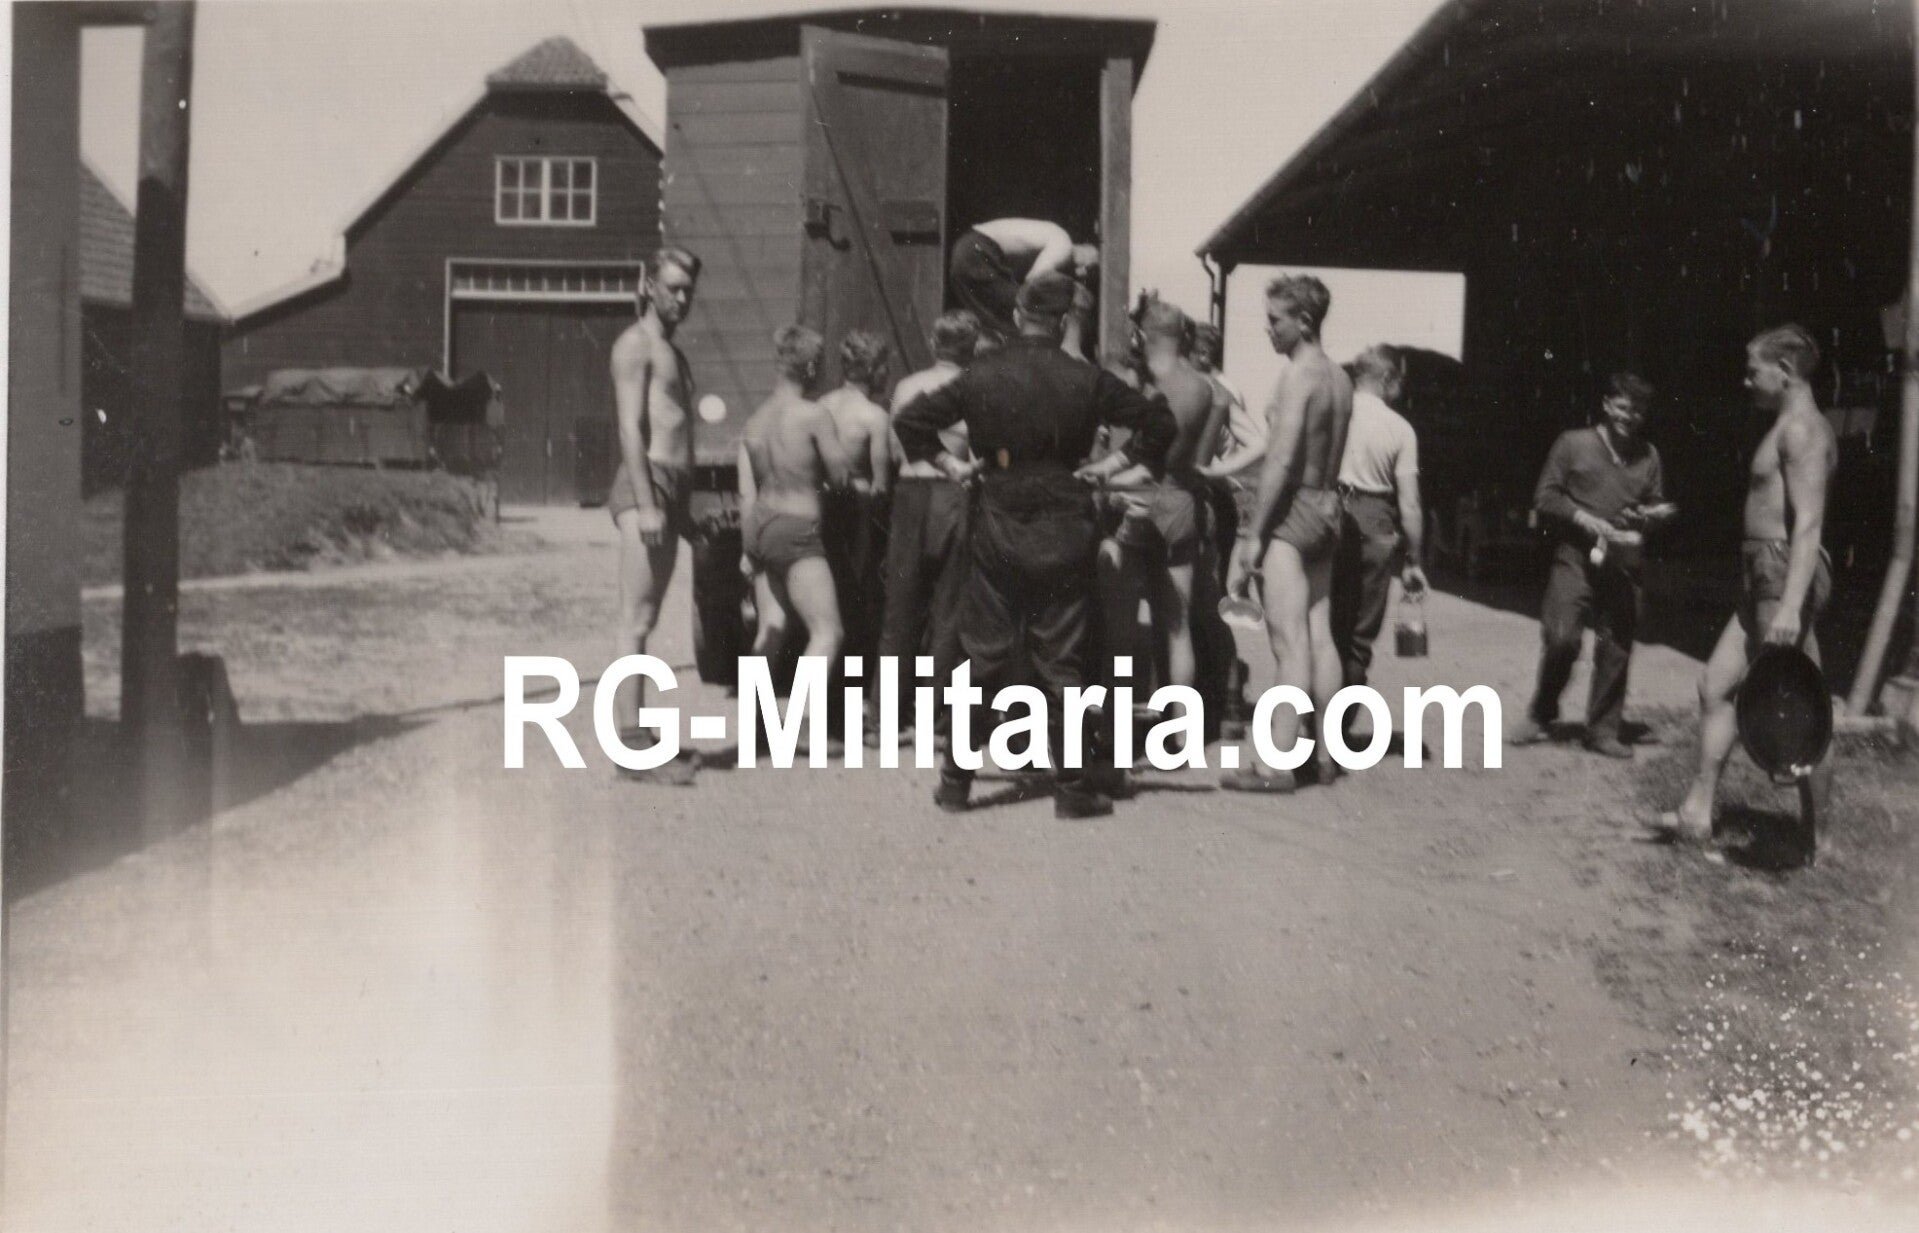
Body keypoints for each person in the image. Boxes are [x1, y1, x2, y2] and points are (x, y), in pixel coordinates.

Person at [895, 271, 1176, 819]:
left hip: (996, 513)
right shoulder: (1087, 378)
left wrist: (953, 465)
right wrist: (1112, 465)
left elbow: (912, 421)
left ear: (1017, 315)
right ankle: (1071, 789)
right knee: (1061, 657)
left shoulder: (980, 373)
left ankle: (955, 784)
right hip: (1064, 518)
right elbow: (1159, 423)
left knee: (982, 654)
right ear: (1064, 321)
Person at [1663, 326, 1837, 842]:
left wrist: (1790, 606)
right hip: (1760, 572)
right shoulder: (1785, 426)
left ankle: (1816, 839)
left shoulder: (1802, 431)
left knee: (1801, 704)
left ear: (1783, 371)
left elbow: (1809, 523)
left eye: (1752, 371)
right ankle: (1697, 812)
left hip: (1781, 572)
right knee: (1715, 686)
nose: (1745, 381)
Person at [1222, 274, 1353, 793]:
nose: (1268, 329)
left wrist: (1254, 531)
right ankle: (1325, 754)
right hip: (1328, 507)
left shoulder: (1297, 376)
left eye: (1275, 320)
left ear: (1303, 320)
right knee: (1321, 635)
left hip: (1293, 510)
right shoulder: (1340, 378)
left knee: (1288, 642)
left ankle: (1276, 763)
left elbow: (1279, 458)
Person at [1511, 372, 1676, 758]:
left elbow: (1654, 503)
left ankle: (1602, 729)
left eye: (1637, 411)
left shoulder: (1649, 455)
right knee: (1562, 638)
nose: (1629, 417)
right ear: (1606, 405)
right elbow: (1545, 496)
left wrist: (1650, 516)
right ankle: (1542, 712)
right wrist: (1584, 518)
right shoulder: (1573, 444)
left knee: (1616, 645)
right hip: (1575, 556)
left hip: (1622, 561)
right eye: (1622, 407)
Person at [1095, 300, 1229, 710]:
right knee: (1177, 627)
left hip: (1134, 501)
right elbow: (1202, 459)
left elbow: (1124, 451)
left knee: (1121, 628)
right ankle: (1181, 732)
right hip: (1180, 502)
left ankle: (1116, 728)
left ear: (1143, 335)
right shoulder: (1203, 388)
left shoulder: (1136, 385)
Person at [608, 246, 703, 780]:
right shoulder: (635, 345)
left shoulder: (671, 351)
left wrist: (682, 508)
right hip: (647, 484)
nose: (682, 299)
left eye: (688, 290)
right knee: (636, 618)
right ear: (648, 286)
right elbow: (629, 427)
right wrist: (647, 504)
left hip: (671, 487)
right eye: (672, 288)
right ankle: (630, 747)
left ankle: (640, 735)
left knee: (646, 617)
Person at [878, 310, 982, 733]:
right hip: (951, 493)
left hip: (909, 492)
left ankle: (884, 715)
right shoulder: (971, 389)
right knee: (948, 608)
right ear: (972, 348)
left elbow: (894, 447)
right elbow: (976, 455)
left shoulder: (907, 386)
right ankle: (932, 714)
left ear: (935, 344)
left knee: (900, 606)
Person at [738, 326, 853, 680]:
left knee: (771, 627)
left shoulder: (755, 421)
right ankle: (802, 714)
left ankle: (755, 716)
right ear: (810, 367)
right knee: (827, 633)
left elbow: (747, 493)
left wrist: (748, 549)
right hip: (799, 529)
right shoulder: (814, 415)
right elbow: (841, 478)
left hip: (762, 527)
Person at [1332, 345, 1428, 693]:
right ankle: (1340, 721)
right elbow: (1410, 504)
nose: (1402, 387)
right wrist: (1414, 561)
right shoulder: (1400, 429)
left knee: (1325, 627)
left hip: (1330, 514)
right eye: (1400, 380)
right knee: (1359, 636)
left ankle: (1312, 716)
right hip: (1376, 521)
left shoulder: (1335, 411)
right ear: (1387, 377)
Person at [817, 330, 896, 692]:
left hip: (821, 508)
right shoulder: (874, 416)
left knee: (827, 598)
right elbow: (880, 484)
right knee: (857, 598)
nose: (887, 374)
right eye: (884, 367)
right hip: (857, 514)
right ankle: (853, 688)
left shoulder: (822, 405)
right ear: (872, 369)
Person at [948, 217, 1098, 342]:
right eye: (1089, 266)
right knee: (1024, 316)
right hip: (977, 253)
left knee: (993, 323)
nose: (1081, 272)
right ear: (1085, 251)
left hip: (969, 250)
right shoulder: (1063, 245)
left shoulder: (1052, 240)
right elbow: (1033, 284)